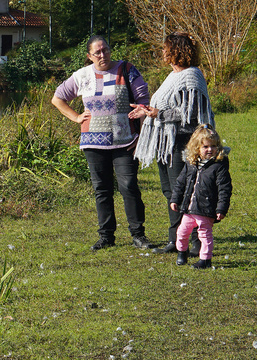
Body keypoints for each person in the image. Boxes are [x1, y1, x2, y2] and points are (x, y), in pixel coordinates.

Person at [51, 35, 153, 250]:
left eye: (105, 50)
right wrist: (76, 117)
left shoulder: (126, 69)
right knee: (102, 189)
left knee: (129, 186)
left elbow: (143, 102)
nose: (102, 55)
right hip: (93, 143)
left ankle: (138, 235)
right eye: (97, 52)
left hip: (125, 141)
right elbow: (58, 98)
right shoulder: (82, 75)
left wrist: (142, 134)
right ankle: (106, 236)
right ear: (89, 56)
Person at [132, 33, 215, 252]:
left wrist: (158, 113)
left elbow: (190, 112)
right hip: (166, 142)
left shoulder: (192, 75)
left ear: (176, 50)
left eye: (165, 48)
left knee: (184, 192)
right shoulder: (173, 76)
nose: (162, 52)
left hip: (181, 142)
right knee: (170, 192)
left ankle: (193, 241)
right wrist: (147, 111)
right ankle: (177, 240)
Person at [170, 126, 231, 269]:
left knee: (204, 235)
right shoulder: (191, 164)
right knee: (182, 232)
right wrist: (175, 199)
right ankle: (182, 252)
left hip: (206, 208)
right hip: (189, 208)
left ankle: (205, 259)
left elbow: (224, 188)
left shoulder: (219, 166)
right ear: (197, 147)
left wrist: (221, 208)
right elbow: (180, 182)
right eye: (205, 146)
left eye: (213, 146)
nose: (210, 150)